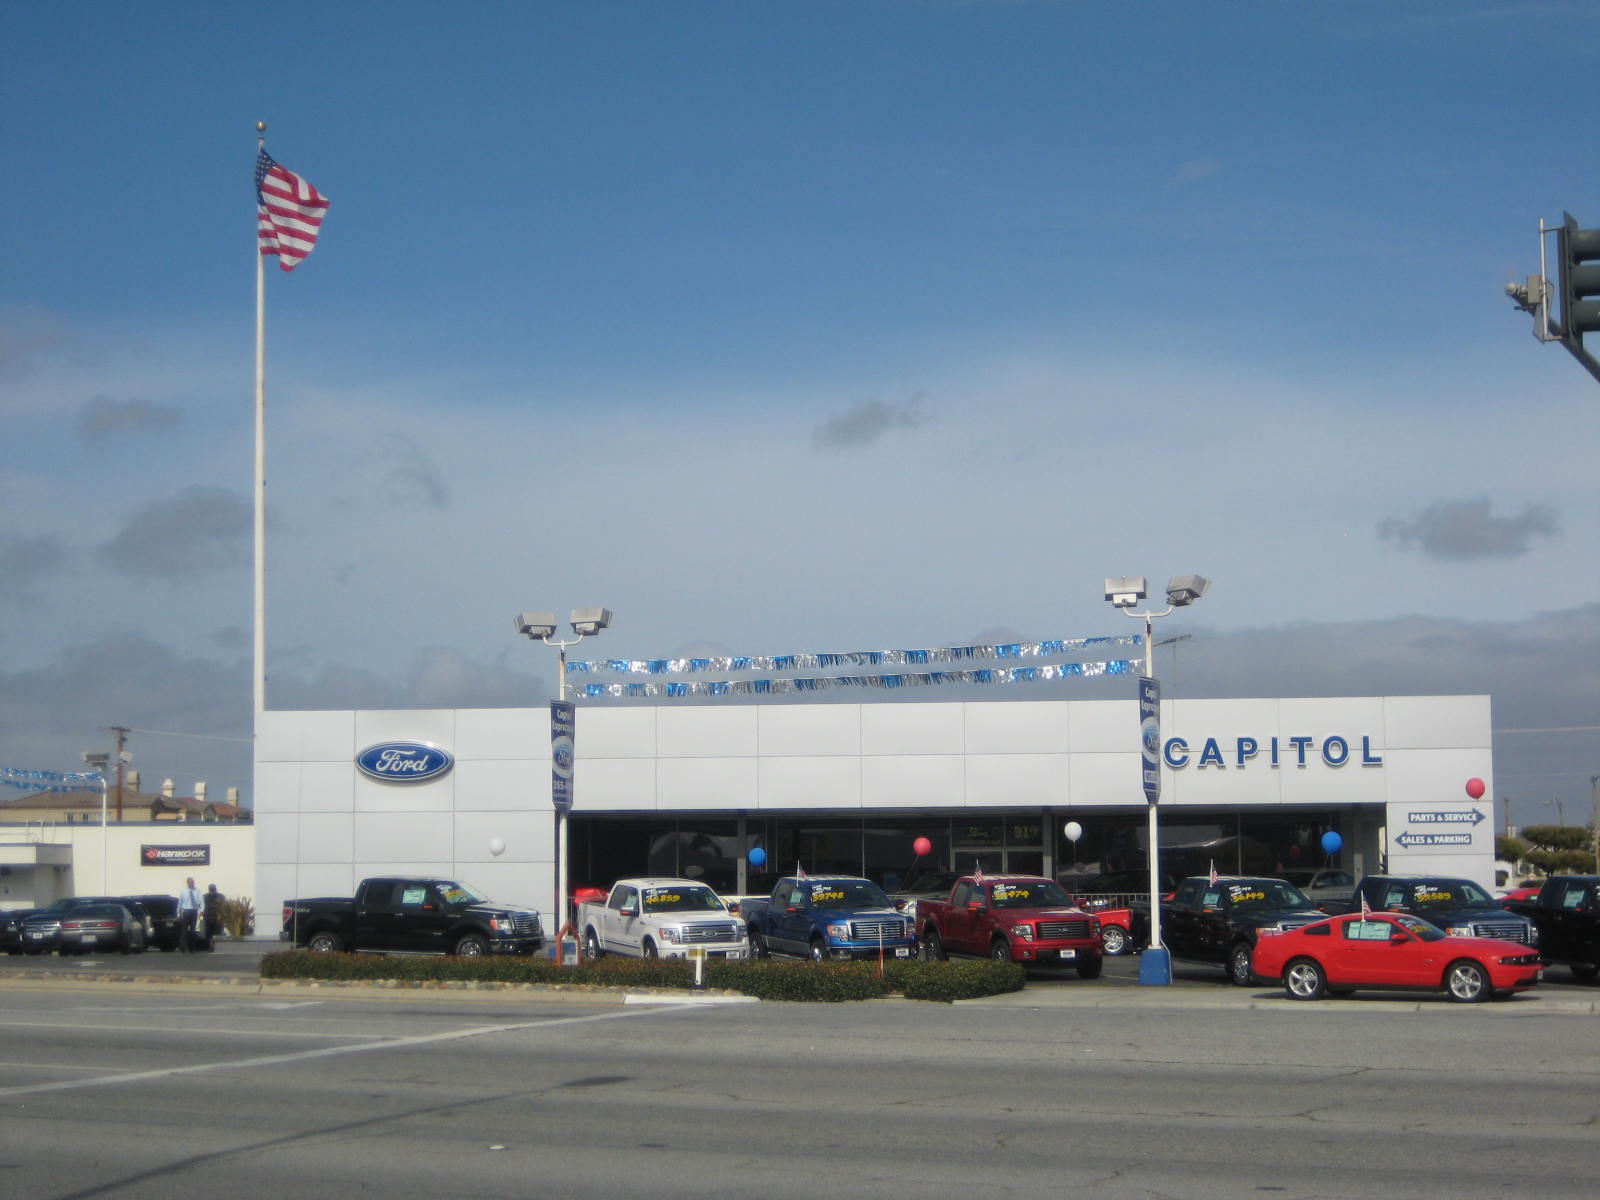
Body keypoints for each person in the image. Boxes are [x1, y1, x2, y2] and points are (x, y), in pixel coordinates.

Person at [177, 877, 203, 952]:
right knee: (184, 930)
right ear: (187, 883)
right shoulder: (183, 891)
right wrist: (178, 913)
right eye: (190, 882)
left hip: (194, 911)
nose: (192, 883)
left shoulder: (197, 891)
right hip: (186, 911)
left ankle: (191, 947)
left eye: (193, 882)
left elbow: (201, 901)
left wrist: (201, 910)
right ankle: (182, 947)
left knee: (192, 930)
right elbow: (180, 902)